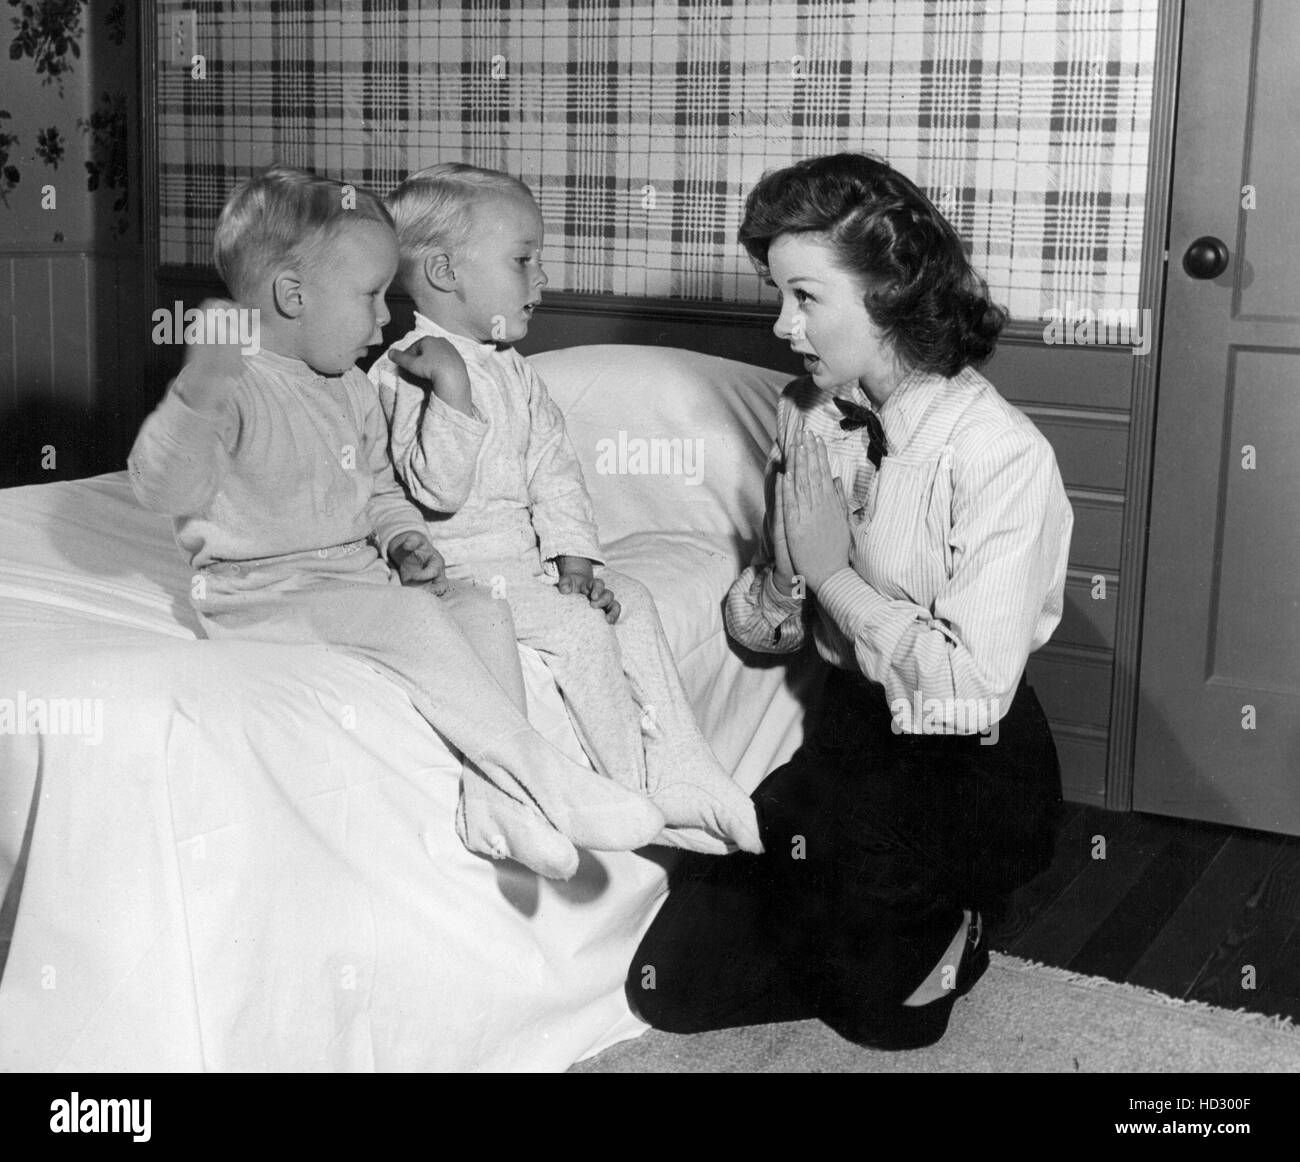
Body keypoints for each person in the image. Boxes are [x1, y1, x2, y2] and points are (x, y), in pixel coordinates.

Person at [626, 152, 1072, 1048]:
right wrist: (790, 582)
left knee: (884, 1026)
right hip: (849, 739)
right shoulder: (809, 414)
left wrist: (835, 578)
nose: (783, 325)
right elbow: (765, 634)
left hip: (966, 767)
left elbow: (970, 692)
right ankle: (853, 933)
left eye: (805, 296)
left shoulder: (999, 454)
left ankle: (963, 920)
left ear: (892, 294)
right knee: (669, 988)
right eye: (776, 293)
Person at [128, 164, 665, 881]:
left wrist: (401, 535)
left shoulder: (349, 387)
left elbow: (378, 488)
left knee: (480, 608)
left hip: (356, 575)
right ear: (293, 296)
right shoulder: (236, 384)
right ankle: (548, 778)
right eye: (371, 296)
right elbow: (162, 484)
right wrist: (196, 393)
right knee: (414, 625)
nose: (386, 319)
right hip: (259, 593)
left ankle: (493, 799)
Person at [370, 162, 762, 876]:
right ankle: (625, 790)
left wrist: (576, 558)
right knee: (581, 629)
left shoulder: (515, 370)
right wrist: (451, 390)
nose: (541, 279)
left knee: (632, 603)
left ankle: (681, 762)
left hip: (520, 566)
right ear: (444, 272)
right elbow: (437, 488)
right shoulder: (407, 369)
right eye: (523, 260)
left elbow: (556, 472)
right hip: (458, 572)